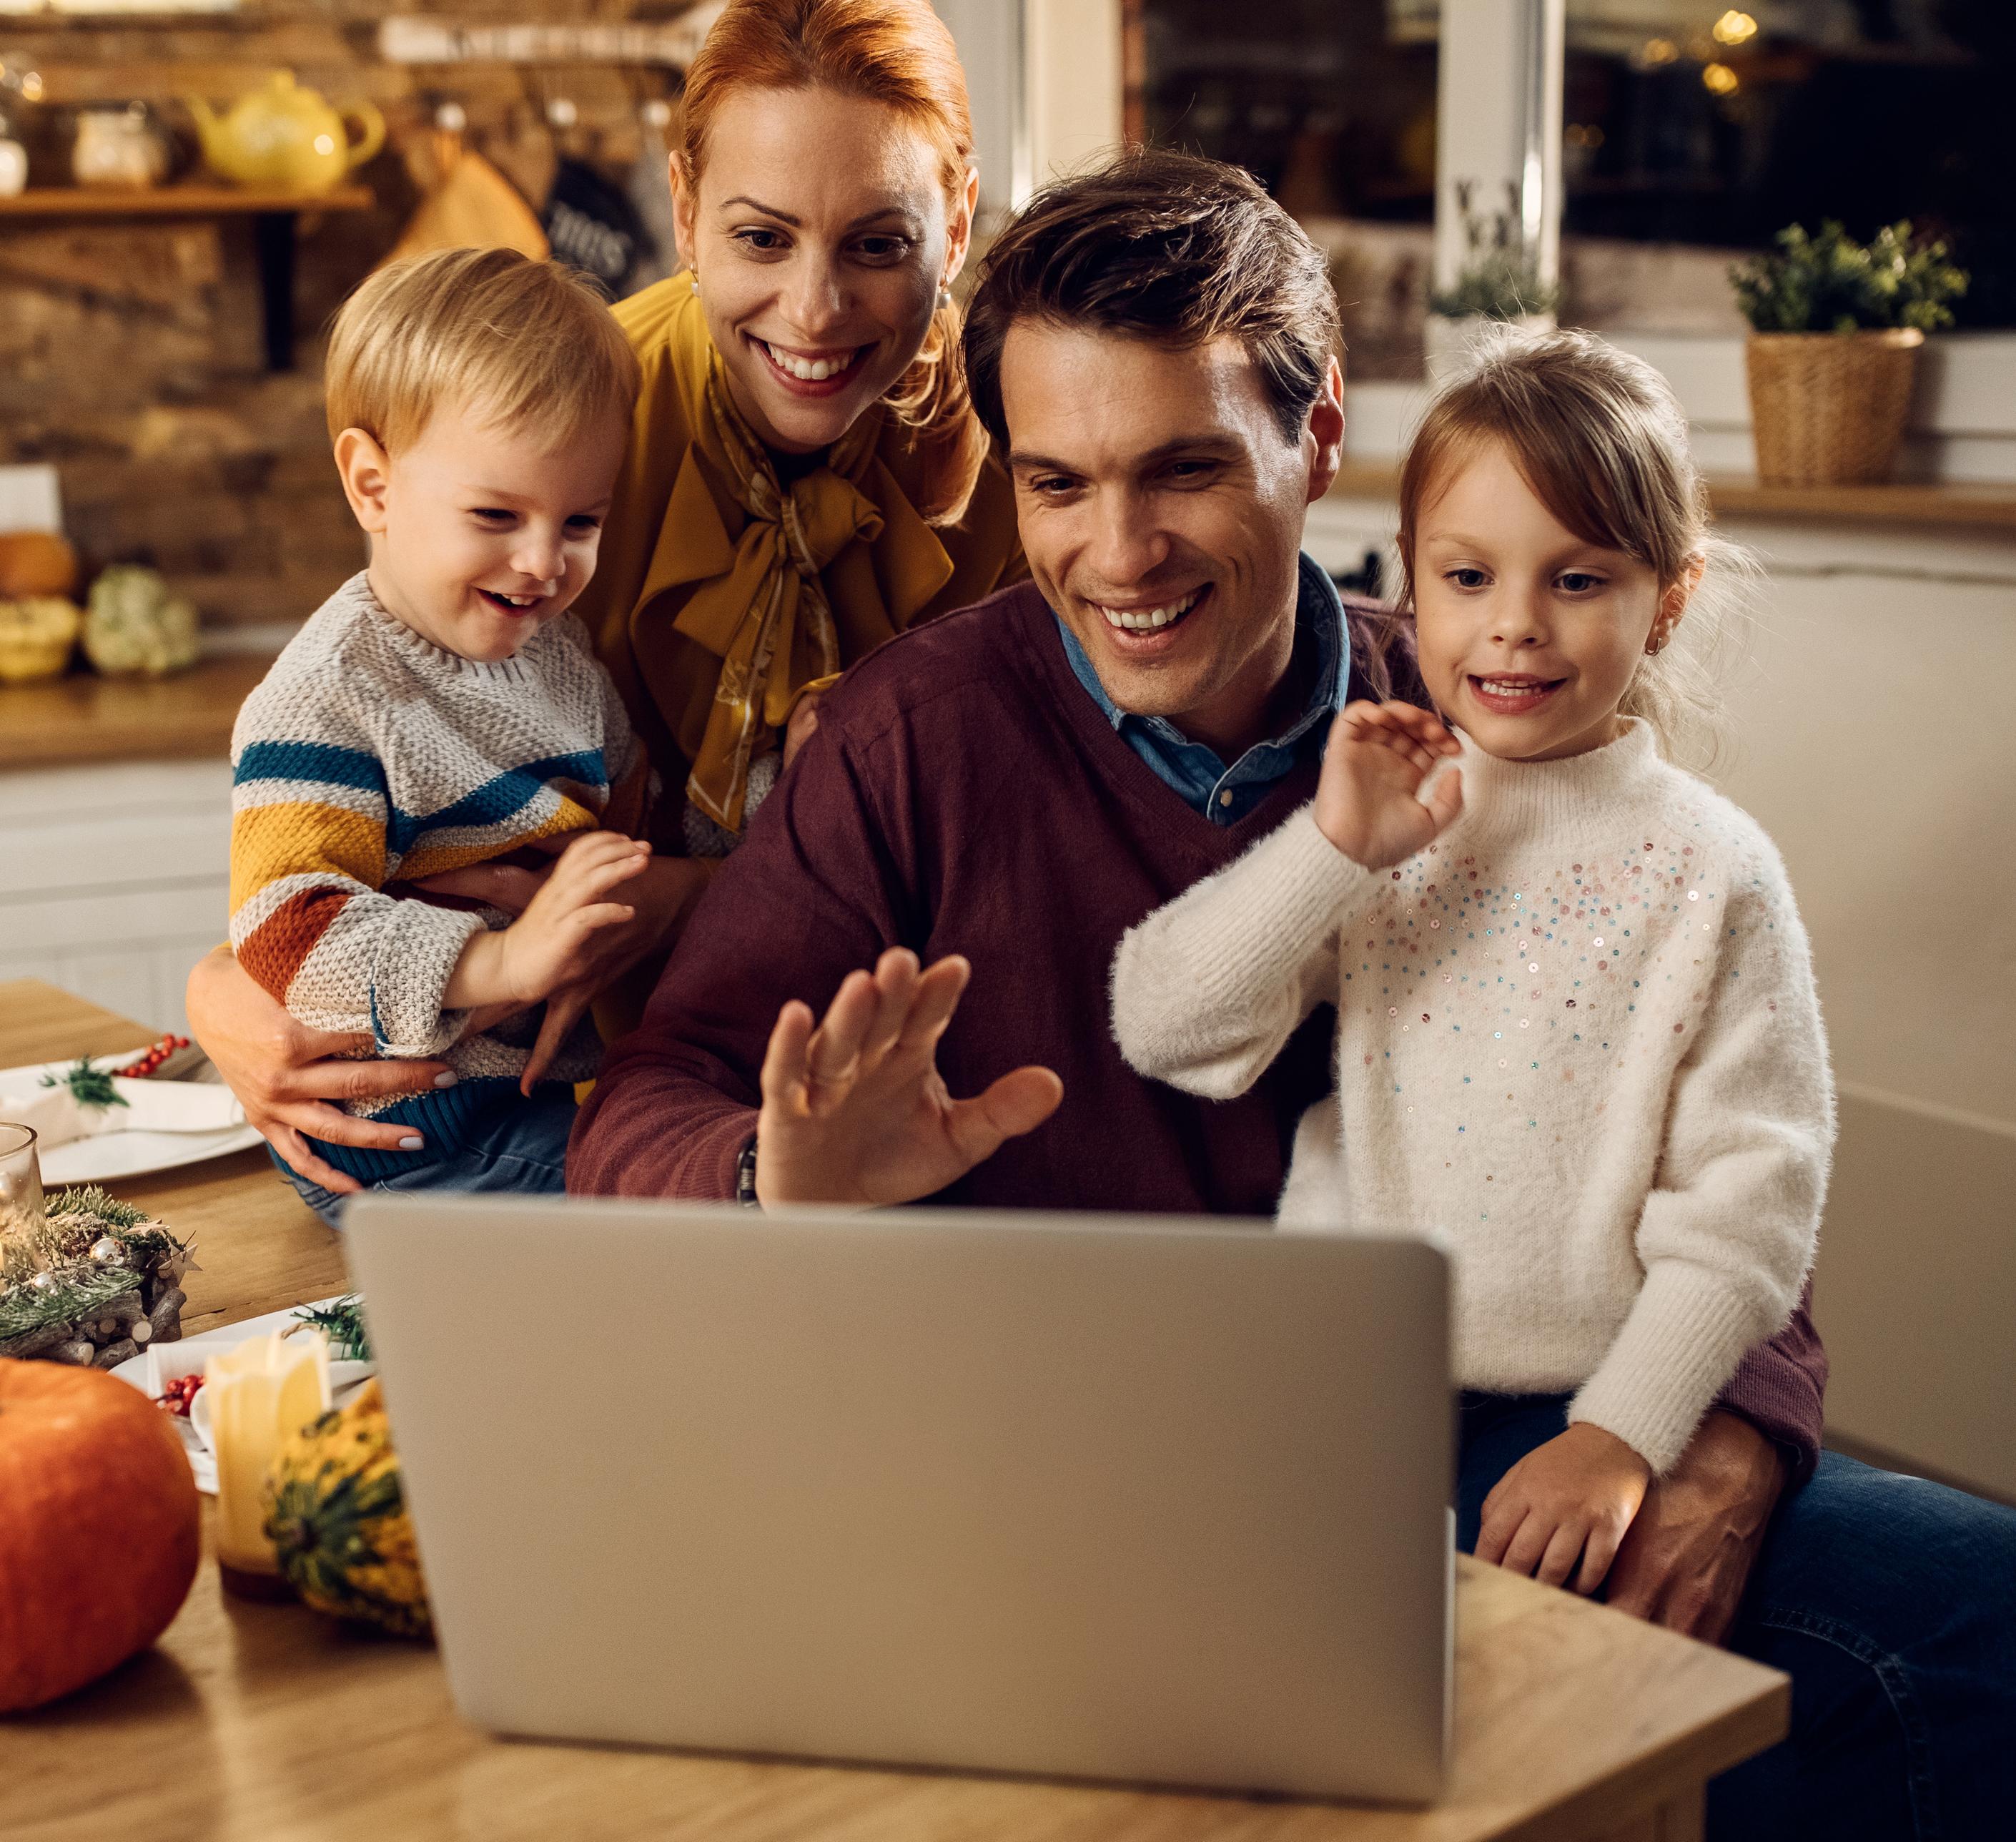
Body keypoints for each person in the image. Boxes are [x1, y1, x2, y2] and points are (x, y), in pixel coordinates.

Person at [571, 149, 2016, 1840]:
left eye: (1185, 469)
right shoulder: (911, 741)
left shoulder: (1490, 704)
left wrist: (1732, 1440)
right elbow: (650, 1103)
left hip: (1463, 1454)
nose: (1118, 554)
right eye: (1056, 484)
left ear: (1319, 431)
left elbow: (1728, 1155)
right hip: (1060, 1487)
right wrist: (777, 1174)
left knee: (1973, 1635)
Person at [187, 0, 1024, 1200]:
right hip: (596, 1097)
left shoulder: (1032, 462)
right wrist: (221, 985)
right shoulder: (566, 429)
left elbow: (1033, 861)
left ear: (954, 220)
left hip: (923, 1076)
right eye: (762, 239)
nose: (815, 312)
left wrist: (689, 890)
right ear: (685, 211)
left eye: (878, 246)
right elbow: (348, 806)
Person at [1111, 328, 1830, 1597]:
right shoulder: (1383, 815)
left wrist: (1621, 1436)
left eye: (1577, 582)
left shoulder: (1715, 871)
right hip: (1347, 1407)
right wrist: (1334, 850)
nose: (1513, 630)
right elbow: (1163, 1022)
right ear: (1414, 584)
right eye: (1468, 576)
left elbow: (1749, 1214)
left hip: (1587, 1411)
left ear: (1666, 602)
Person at [228, 248, 686, 1221]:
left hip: (524, 1095)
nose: (541, 562)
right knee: (667, 1217)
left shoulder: (562, 663)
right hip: (396, 1124)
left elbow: (642, 821)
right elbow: (288, 933)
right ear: (373, 485)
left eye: (581, 521)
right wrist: (509, 966)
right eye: (496, 514)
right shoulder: (329, 693)